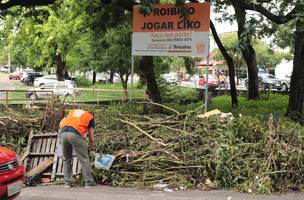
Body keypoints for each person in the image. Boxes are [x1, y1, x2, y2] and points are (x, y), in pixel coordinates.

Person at [59, 109, 98, 189]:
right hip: (74, 135)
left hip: (63, 133)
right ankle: (89, 182)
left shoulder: (72, 112)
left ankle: (68, 183)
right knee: (84, 159)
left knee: (66, 159)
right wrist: (92, 149)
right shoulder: (90, 118)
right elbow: (91, 138)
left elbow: (60, 124)